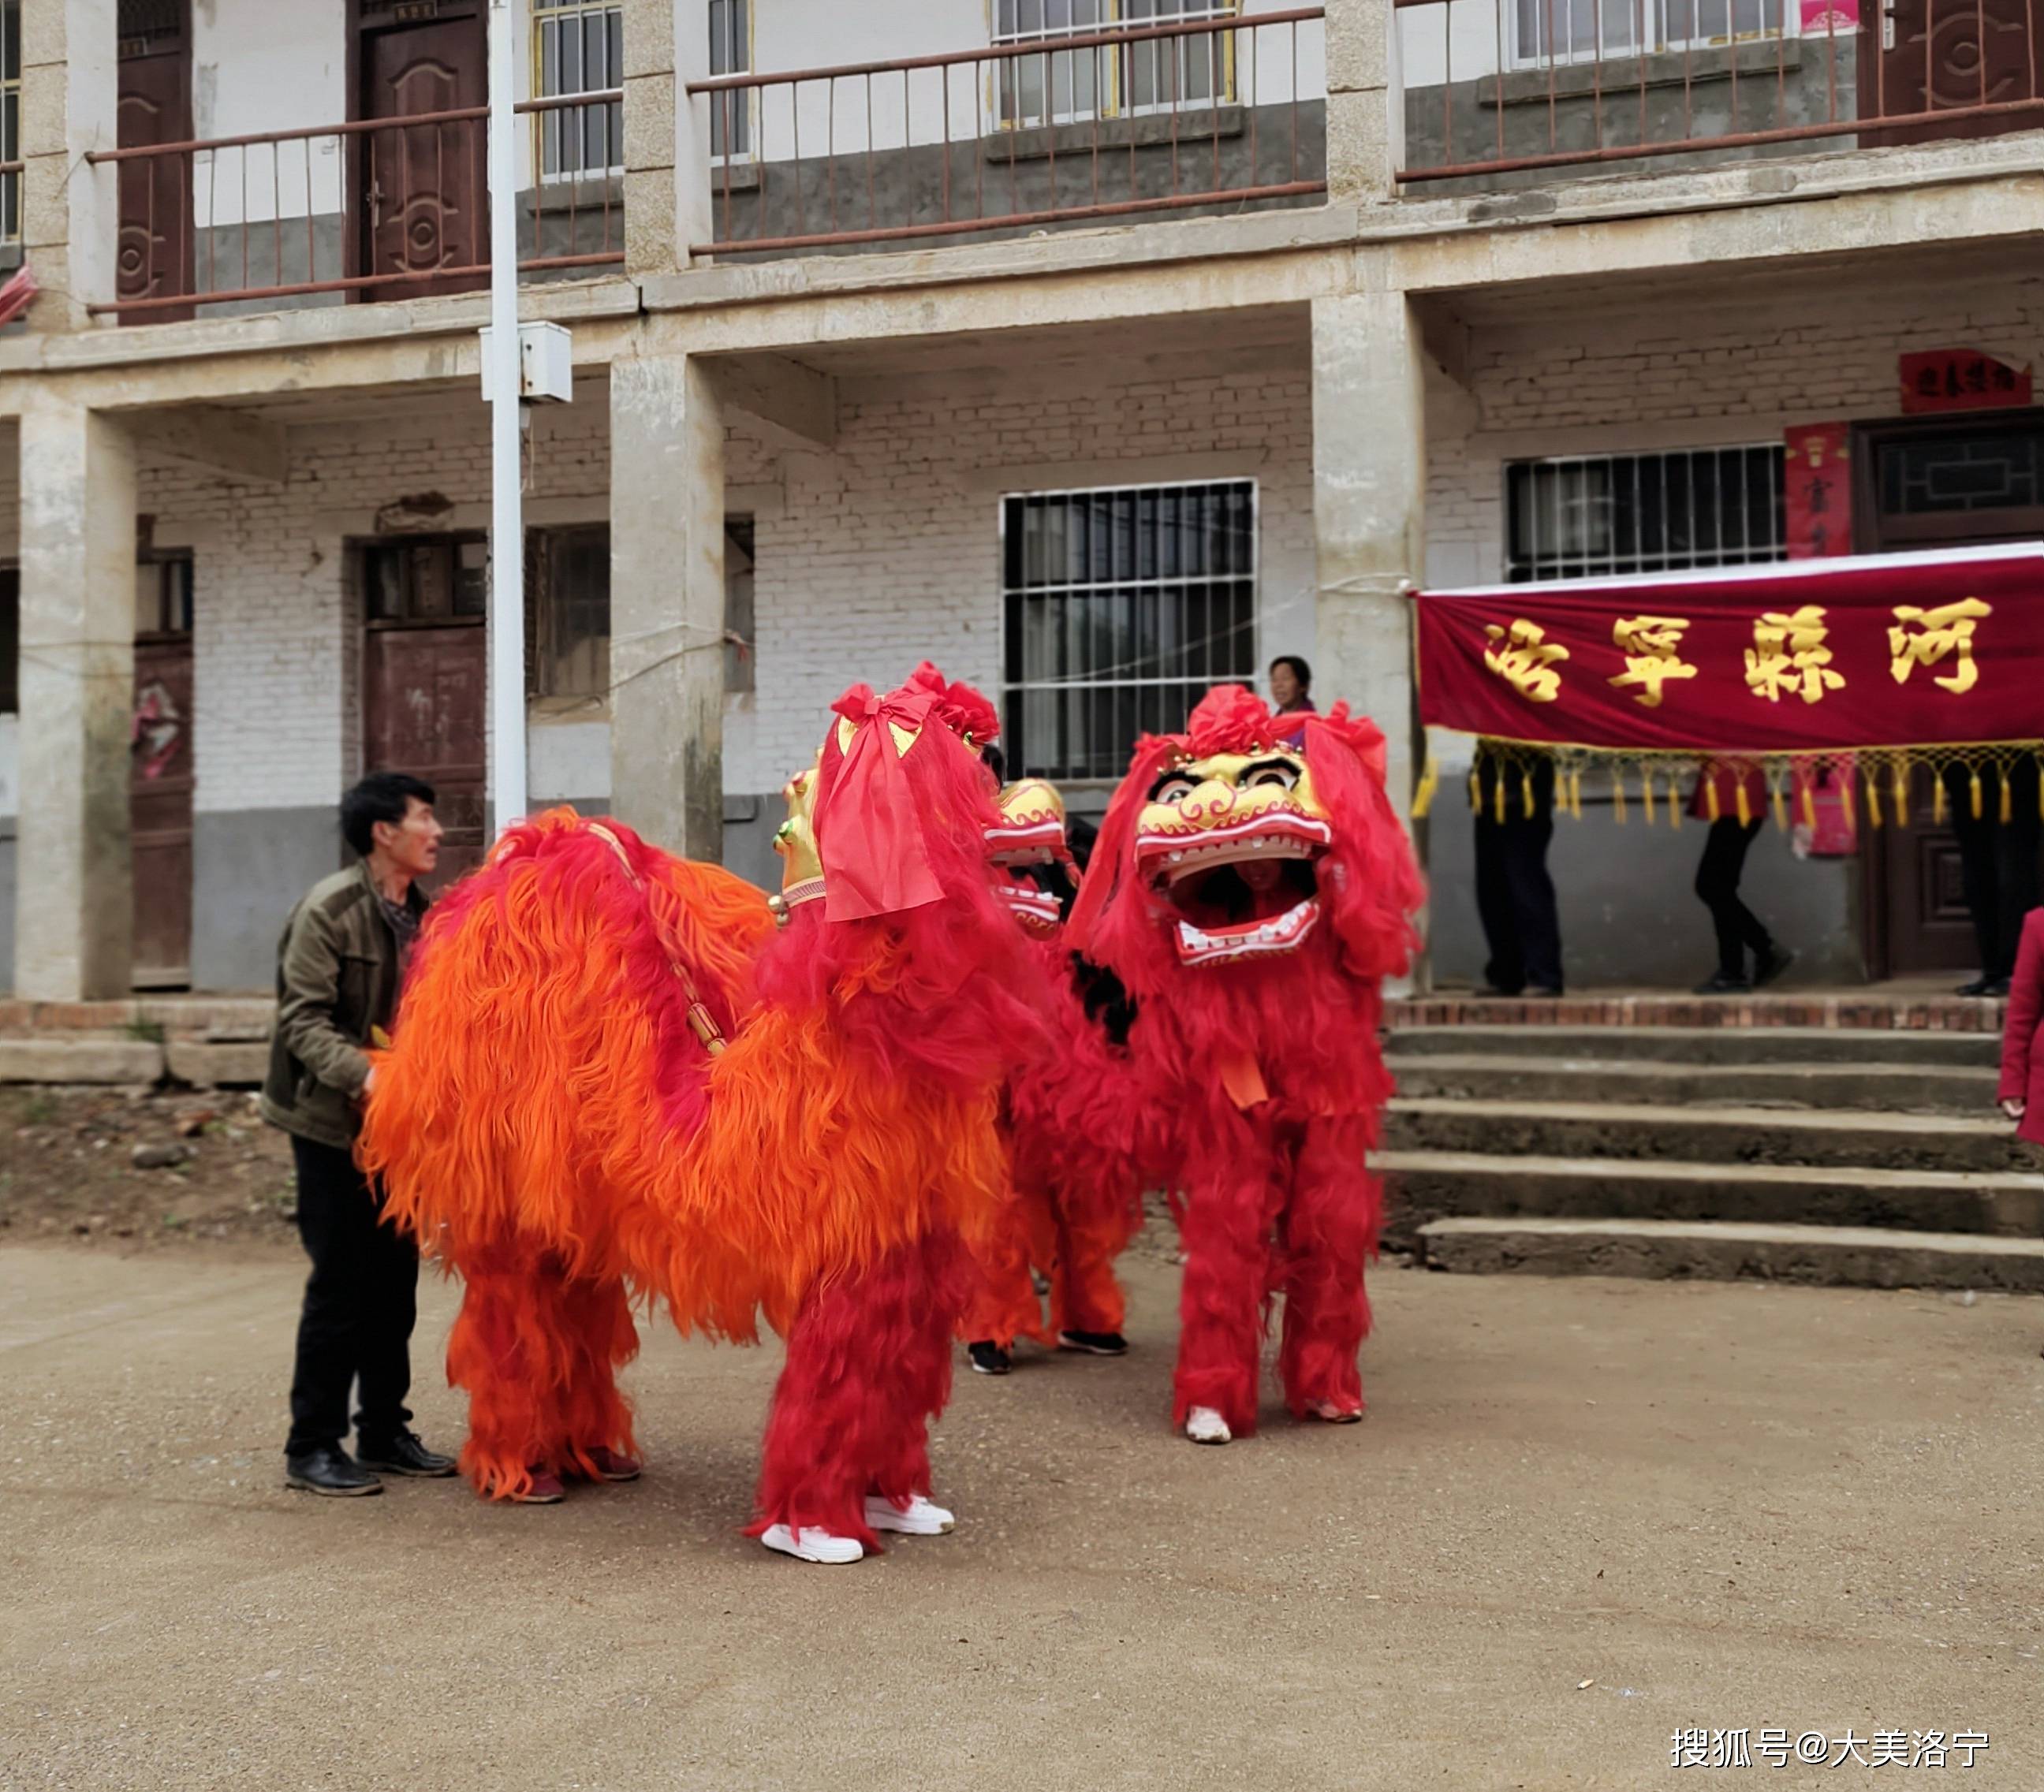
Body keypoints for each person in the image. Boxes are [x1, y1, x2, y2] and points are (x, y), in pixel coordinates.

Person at [262, 772, 457, 1497]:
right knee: (341, 1286)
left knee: (393, 1286)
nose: (436, 832)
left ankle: (383, 1431)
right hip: (329, 1122)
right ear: (384, 832)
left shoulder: (426, 916)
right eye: (424, 818)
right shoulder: (331, 910)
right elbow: (301, 1021)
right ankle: (311, 1444)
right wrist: (370, 1077)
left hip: (396, 1133)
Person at [1690, 758, 1795, 996]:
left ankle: (1755, 955)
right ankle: (1736, 967)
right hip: (1737, 797)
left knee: (1711, 886)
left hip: (1737, 798)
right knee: (1719, 888)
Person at [1945, 760, 2042, 997]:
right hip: (1962, 762)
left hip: (2021, 762)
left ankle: (2017, 969)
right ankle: (1992, 970)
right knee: (1976, 874)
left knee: (2014, 872)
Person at [1472, 745, 1563, 997]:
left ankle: (1544, 975)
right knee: (1492, 888)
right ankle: (1506, 974)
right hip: (1488, 791)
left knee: (1526, 884)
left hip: (1526, 791)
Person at [1268, 654, 1317, 747]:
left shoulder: (1313, 725)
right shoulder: (1271, 725)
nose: (1278, 685)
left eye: (1285, 678)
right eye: (1274, 680)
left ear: (1303, 685)